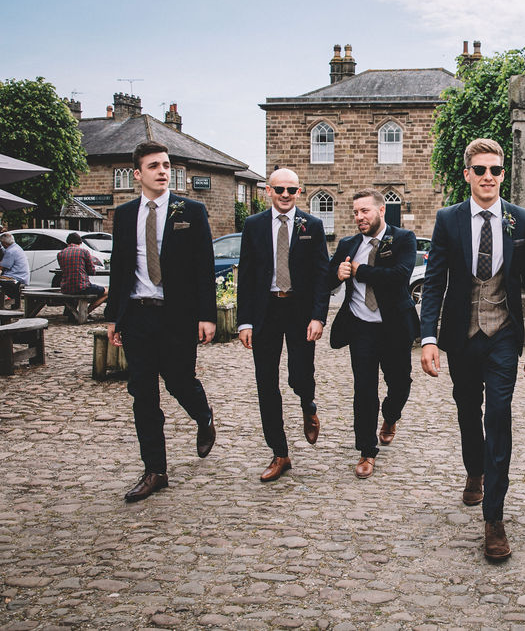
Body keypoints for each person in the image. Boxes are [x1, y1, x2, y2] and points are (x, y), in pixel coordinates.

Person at [420, 138, 525, 562]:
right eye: (480, 170)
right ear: (467, 174)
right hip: (461, 334)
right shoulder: (448, 219)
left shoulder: (522, 220)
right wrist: (429, 338)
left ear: (503, 174)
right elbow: (434, 281)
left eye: (495, 170)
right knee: (466, 409)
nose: (488, 177)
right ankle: (474, 468)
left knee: (498, 415)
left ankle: (494, 517)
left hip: (504, 335)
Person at [105, 141, 217, 502]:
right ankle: (156, 470)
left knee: (180, 381)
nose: (163, 171)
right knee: (143, 395)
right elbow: (120, 269)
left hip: (177, 315)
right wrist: (113, 319)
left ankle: (203, 416)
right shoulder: (123, 216)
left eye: (166, 165)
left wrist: (207, 316)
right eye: (154, 166)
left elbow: (205, 266)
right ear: (137, 174)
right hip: (138, 313)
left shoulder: (191, 210)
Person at [237, 168, 329, 482]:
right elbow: (246, 276)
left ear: (299, 192)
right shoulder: (253, 225)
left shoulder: (312, 226)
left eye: (291, 190)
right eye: (280, 190)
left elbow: (321, 276)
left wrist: (318, 317)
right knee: (266, 383)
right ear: (268, 191)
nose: (286, 195)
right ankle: (279, 453)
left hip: (300, 311)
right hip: (265, 311)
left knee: (300, 376)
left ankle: (308, 402)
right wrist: (244, 321)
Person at [328, 189, 418, 479]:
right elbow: (326, 280)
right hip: (361, 326)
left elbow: (399, 277)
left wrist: (359, 271)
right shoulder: (348, 244)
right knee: (364, 390)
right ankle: (367, 451)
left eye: (364, 211)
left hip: (394, 327)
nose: (359, 217)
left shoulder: (403, 239)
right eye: (355, 212)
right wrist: (338, 274)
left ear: (381, 211)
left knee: (400, 384)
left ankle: (391, 417)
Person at [57, 232, 108, 312]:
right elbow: (91, 271)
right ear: (80, 242)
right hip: (82, 286)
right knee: (107, 292)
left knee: (75, 289)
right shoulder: (84, 252)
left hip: (66, 287)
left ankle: (72, 313)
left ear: (67, 242)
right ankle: (85, 312)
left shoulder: (60, 254)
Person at [0, 232, 29, 309]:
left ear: (4, 243)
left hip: (16, 277)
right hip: (21, 275)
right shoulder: (16, 248)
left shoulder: (10, 251)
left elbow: (2, 267)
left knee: (2, 281)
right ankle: (12, 301)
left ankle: (3, 304)